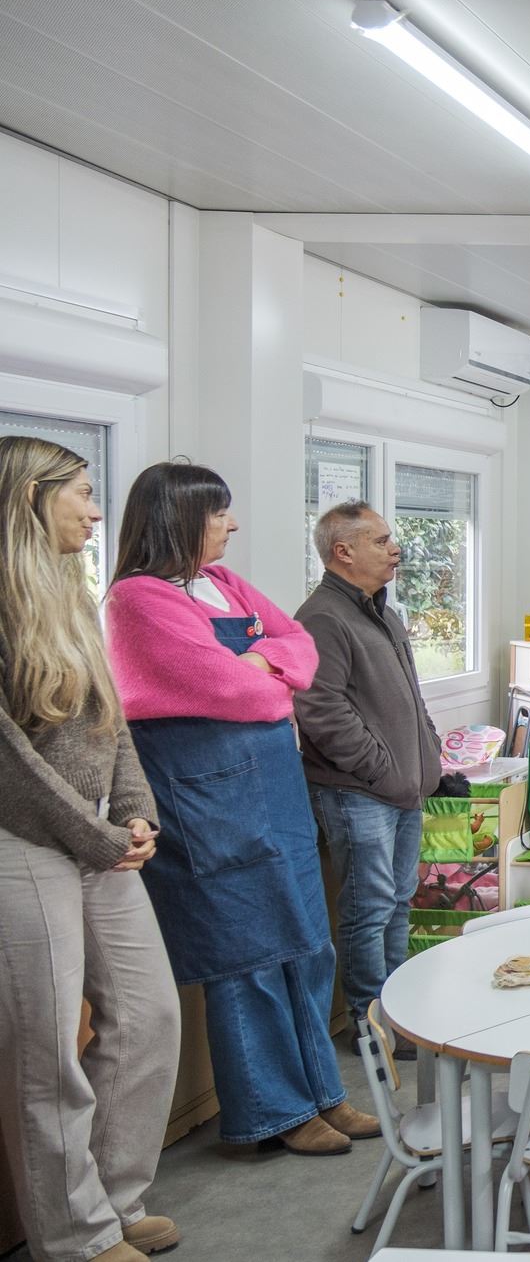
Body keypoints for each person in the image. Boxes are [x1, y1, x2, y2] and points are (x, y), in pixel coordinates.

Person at [103, 462, 375, 1157]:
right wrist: (263, 670)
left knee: (307, 942)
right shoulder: (136, 599)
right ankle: (273, 1111)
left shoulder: (222, 584)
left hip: (273, 789)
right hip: (207, 800)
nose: (232, 525)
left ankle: (323, 1092)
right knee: (247, 954)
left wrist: (262, 666)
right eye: (219, 514)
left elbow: (300, 649)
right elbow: (233, 689)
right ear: (179, 519)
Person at [0, 438, 181, 1262]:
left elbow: (110, 716)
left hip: (99, 837)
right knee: (47, 1053)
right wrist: (97, 833)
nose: (97, 509)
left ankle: (113, 1199)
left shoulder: (73, 589)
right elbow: (9, 755)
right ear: (31, 496)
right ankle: (75, 1236)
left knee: (149, 1015)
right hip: (25, 840)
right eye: (80, 491)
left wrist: (135, 809)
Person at [294, 502, 442, 1022]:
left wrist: (429, 751)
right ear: (343, 551)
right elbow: (319, 708)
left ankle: (398, 1018)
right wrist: (379, 767)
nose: (395, 549)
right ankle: (368, 1024)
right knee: (369, 908)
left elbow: (411, 697)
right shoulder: (322, 617)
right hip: (358, 791)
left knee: (398, 902)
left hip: (402, 789)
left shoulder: (382, 611)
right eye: (380, 541)